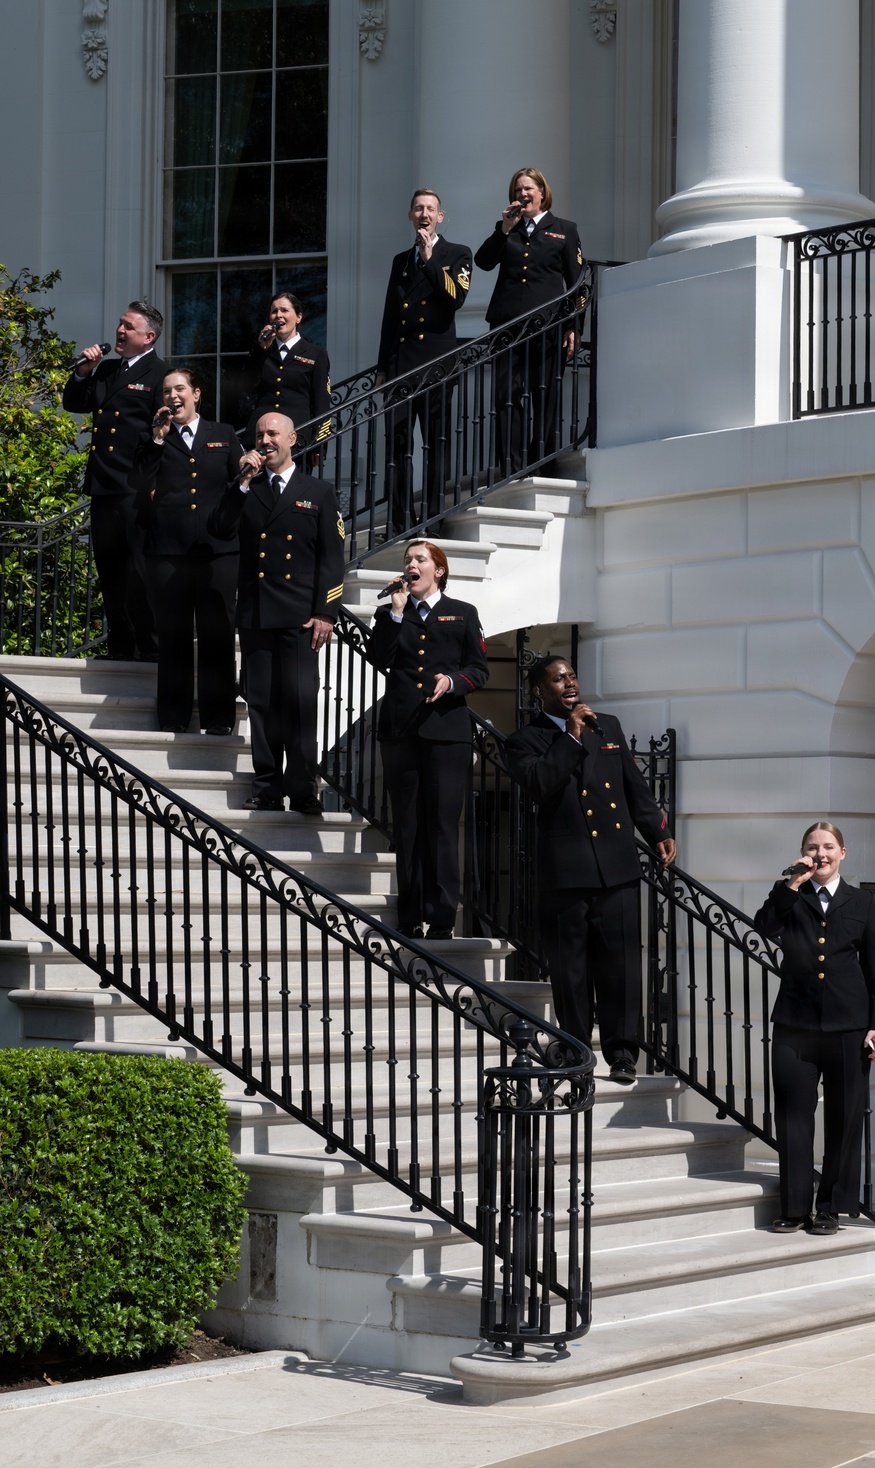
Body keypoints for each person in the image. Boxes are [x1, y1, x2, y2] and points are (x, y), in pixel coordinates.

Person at [503, 656, 675, 1083]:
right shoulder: (524, 740)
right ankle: (577, 1050)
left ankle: (622, 1054)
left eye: (572, 676)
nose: (570, 684)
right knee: (571, 970)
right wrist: (572, 737)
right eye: (558, 679)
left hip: (616, 866)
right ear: (539, 692)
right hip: (566, 872)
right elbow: (541, 784)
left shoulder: (609, 726)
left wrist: (655, 829)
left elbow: (633, 785)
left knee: (620, 967)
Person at [753, 821, 875, 1235]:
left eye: (829, 847)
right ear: (803, 854)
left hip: (850, 1027)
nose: (821, 854)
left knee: (844, 1116)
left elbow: (873, 968)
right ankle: (795, 1208)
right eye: (813, 848)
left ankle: (831, 1207)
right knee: (794, 1117)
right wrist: (791, 884)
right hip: (796, 1024)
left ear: (842, 853)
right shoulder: (791, 895)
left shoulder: (861, 902)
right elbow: (763, 927)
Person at [208, 411, 345, 814]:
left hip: (302, 617)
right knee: (262, 704)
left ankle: (303, 789)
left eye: (272, 434)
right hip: (257, 614)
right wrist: (241, 483)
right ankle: (267, 786)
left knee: (300, 703)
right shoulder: (246, 488)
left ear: (293, 439)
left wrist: (326, 612)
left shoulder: (317, 491)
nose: (265, 441)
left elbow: (332, 560)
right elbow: (218, 528)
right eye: (258, 435)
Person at [368, 540, 488, 939]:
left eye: (420, 559)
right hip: (401, 731)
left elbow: (479, 669)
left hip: (446, 733)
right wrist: (397, 614)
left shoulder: (463, 613)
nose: (411, 565)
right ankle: (410, 914)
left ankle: (440, 917)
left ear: (439, 570)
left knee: (441, 824)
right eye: (408, 560)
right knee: (407, 826)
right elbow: (378, 658)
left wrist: (453, 682)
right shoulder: (392, 614)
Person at [129, 369, 242, 734]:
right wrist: (158, 440)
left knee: (217, 634)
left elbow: (240, 482)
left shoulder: (222, 434)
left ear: (196, 394)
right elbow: (139, 483)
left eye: (179, 389)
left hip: (218, 551)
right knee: (174, 635)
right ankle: (174, 716)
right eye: (166, 391)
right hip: (168, 552)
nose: (172, 396)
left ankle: (219, 718)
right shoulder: (153, 438)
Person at [62, 300, 169, 661]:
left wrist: (158, 482)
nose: (119, 331)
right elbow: (75, 404)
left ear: (148, 336)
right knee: (110, 571)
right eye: (120, 325)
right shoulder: (107, 369)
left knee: (139, 572)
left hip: (136, 489)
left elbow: (165, 435)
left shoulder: (160, 375)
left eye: (128, 327)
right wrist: (84, 372)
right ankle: (120, 645)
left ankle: (150, 647)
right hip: (103, 486)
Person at [474, 167, 585, 476]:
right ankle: (512, 467)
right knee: (506, 396)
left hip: (548, 326)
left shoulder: (564, 229)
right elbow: (482, 262)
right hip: (507, 326)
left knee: (545, 395)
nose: (522, 194)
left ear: (541, 192)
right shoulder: (506, 228)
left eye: (528, 188)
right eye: (517, 190)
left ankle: (545, 464)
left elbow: (577, 284)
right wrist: (504, 229)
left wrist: (574, 327)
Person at [376, 190, 472, 534]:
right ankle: (400, 520)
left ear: (440, 217)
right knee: (397, 448)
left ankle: (432, 517)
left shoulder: (458, 254)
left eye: (431, 209)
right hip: (402, 366)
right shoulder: (400, 261)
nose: (424, 214)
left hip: (436, 366)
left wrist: (431, 258)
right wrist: (382, 367)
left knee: (435, 445)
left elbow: (456, 298)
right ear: (410, 216)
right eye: (418, 208)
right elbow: (391, 316)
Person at [243, 292, 331, 458]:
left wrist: (320, 444)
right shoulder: (262, 351)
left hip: (297, 440)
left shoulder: (315, 353)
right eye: (274, 311)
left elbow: (322, 401)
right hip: (261, 439)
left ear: (298, 317)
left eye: (284, 310)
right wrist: (261, 349)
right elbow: (246, 387)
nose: (278, 315)